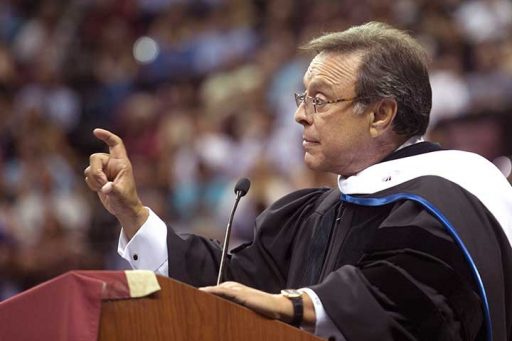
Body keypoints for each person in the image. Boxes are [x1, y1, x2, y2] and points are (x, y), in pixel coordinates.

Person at [84, 22, 512, 340]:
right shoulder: (314, 214)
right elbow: (230, 282)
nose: (300, 114)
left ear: (381, 115)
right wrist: (133, 214)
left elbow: (404, 299)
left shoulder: (446, 200)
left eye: (320, 100)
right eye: (302, 97)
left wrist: (295, 306)